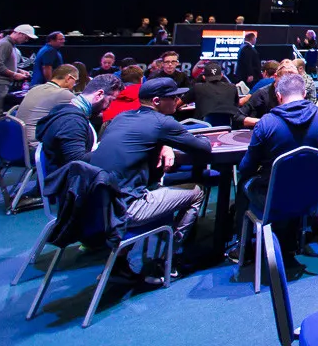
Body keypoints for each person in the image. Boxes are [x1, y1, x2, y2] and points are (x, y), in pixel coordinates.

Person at [89, 78, 211, 277]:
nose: (178, 100)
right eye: (172, 97)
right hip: (127, 209)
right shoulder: (162, 122)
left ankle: (120, 262)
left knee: (152, 185)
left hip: (98, 207)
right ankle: (168, 259)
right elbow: (203, 148)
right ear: (156, 101)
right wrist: (201, 136)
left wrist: (165, 143)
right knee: (197, 191)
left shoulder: (121, 118)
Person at [234, 73, 318, 240]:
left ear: (279, 96)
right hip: (311, 195)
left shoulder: (266, 123)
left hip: (272, 198)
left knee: (244, 183)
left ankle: (242, 244)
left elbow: (246, 167)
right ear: (304, 94)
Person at [36, 74, 123, 169]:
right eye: (110, 101)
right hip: (68, 176)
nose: (108, 107)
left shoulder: (66, 110)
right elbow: (77, 162)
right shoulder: (72, 121)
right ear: (99, 95)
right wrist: (110, 148)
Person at [17, 64, 78, 147]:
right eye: (75, 81)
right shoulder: (63, 93)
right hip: (34, 146)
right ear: (69, 78)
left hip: (18, 143)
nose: (74, 85)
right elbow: (83, 110)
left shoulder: (35, 88)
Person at [0, 23, 35, 102]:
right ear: (19, 33)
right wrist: (14, 74)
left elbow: (3, 64)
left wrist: (18, 70)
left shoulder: (10, 45)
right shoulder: (5, 44)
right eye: (26, 37)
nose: (26, 40)